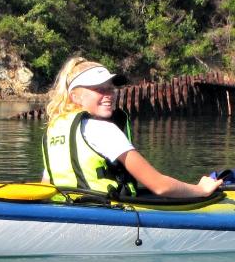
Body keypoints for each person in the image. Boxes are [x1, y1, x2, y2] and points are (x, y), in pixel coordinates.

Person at [42, 57, 223, 198]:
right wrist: (200, 189)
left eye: (110, 88)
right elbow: (159, 186)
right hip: (106, 212)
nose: (109, 95)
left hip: (68, 207)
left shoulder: (54, 130)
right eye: (99, 89)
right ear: (75, 97)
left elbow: (46, 183)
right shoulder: (103, 130)